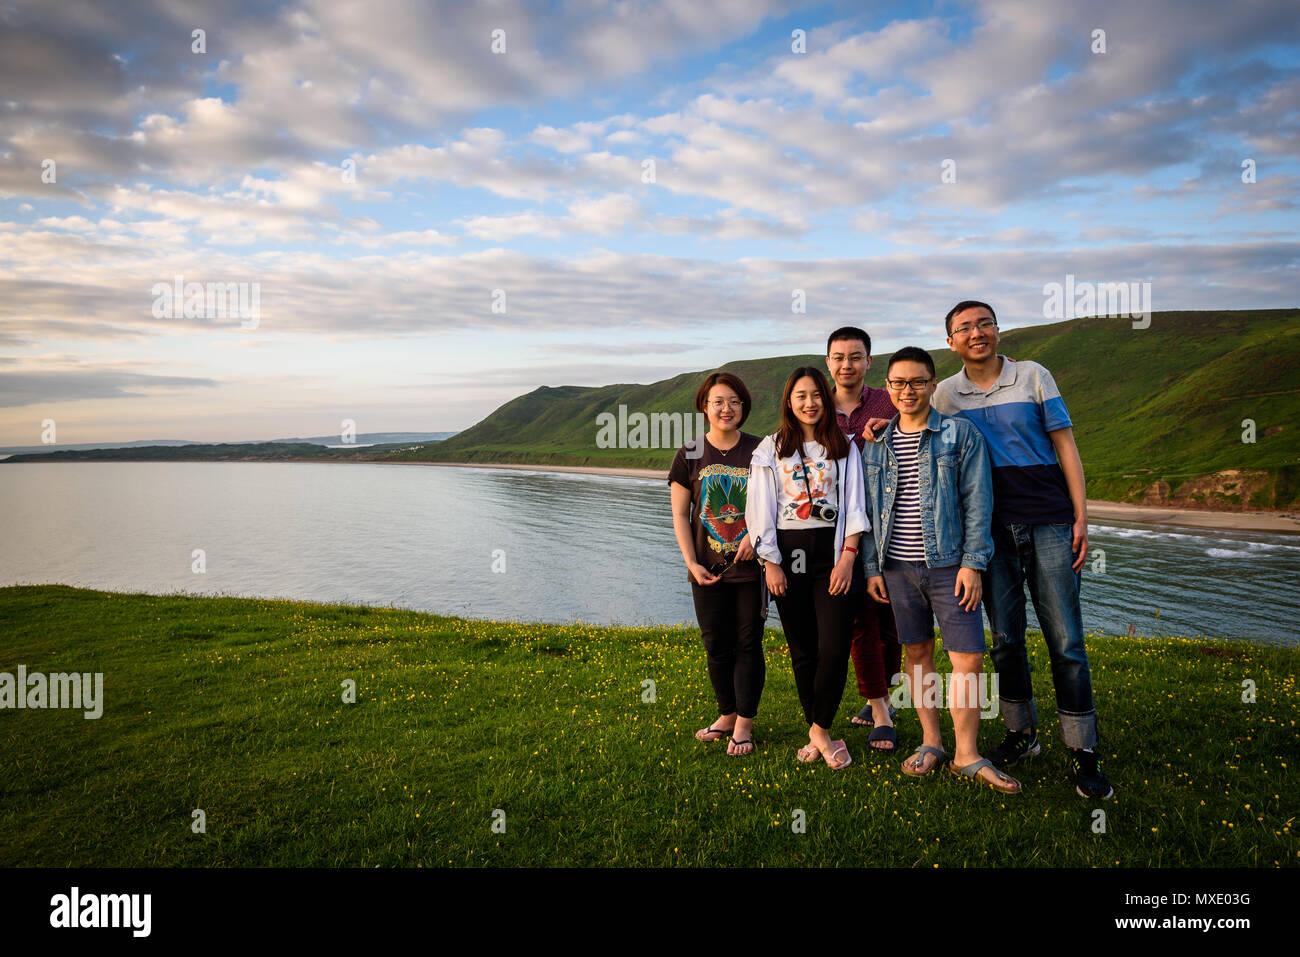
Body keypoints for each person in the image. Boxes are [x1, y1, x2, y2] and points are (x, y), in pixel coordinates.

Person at [931, 300, 1115, 799]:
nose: (976, 333)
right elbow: (918, 432)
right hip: (989, 534)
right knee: (1006, 641)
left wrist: (1081, 516)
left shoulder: (1034, 375)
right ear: (950, 341)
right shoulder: (946, 395)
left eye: (984, 324)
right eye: (964, 328)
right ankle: (1022, 734)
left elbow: (1065, 445)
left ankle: (1083, 752)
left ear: (997, 330)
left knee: (1067, 643)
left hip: (1050, 522)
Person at [860, 347, 1018, 793]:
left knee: (967, 659)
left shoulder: (960, 435)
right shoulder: (876, 444)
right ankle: (932, 743)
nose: (907, 390)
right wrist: (872, 568)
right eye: (898, 383)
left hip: (950, 566)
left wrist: (973, 564)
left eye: (917, 382)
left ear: (933, 385)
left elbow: (978, 503)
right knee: (916, 656)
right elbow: (870, 512)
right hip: (896, 566)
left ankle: (967, 752)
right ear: (888, 387)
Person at [746, 366, 867, 769]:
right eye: (801, 396)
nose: (810, 403)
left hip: (832, 554)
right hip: (787, 553)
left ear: (826, 399)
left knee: (833, 648)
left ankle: (818, 727)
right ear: (789, 401)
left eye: (816, 394)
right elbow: (759, 509)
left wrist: (848, 557)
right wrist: (770, 563)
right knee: (803, 651)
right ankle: (820, 731)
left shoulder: (845, 445)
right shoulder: (770, 448)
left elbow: (854, 506)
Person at [669, 371, 765, 756]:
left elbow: (773, 506)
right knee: (715, 644)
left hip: (750, 568)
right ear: (704, 407)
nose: (726, 409)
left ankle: (745, 721)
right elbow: (680, 515)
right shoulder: (689, 453)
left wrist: (754, 538)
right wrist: (691, 563)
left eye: (734, 402)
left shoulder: (761, 450)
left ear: (743, 407)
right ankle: (726, 714)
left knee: (748, 643)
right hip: (705, 570)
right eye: (718, 402)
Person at [825, 325, 903, 752]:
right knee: (859, 621)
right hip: (842, 530)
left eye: (855, 356)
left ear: (869, 362)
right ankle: (878, 709)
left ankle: (885, 695)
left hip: (893, 524)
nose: (846, 364)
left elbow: (930, 414)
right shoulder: (818, 409)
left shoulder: (888, 400)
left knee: (890, 620)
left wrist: (891, 423)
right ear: (828, 362)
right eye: (838, 357)